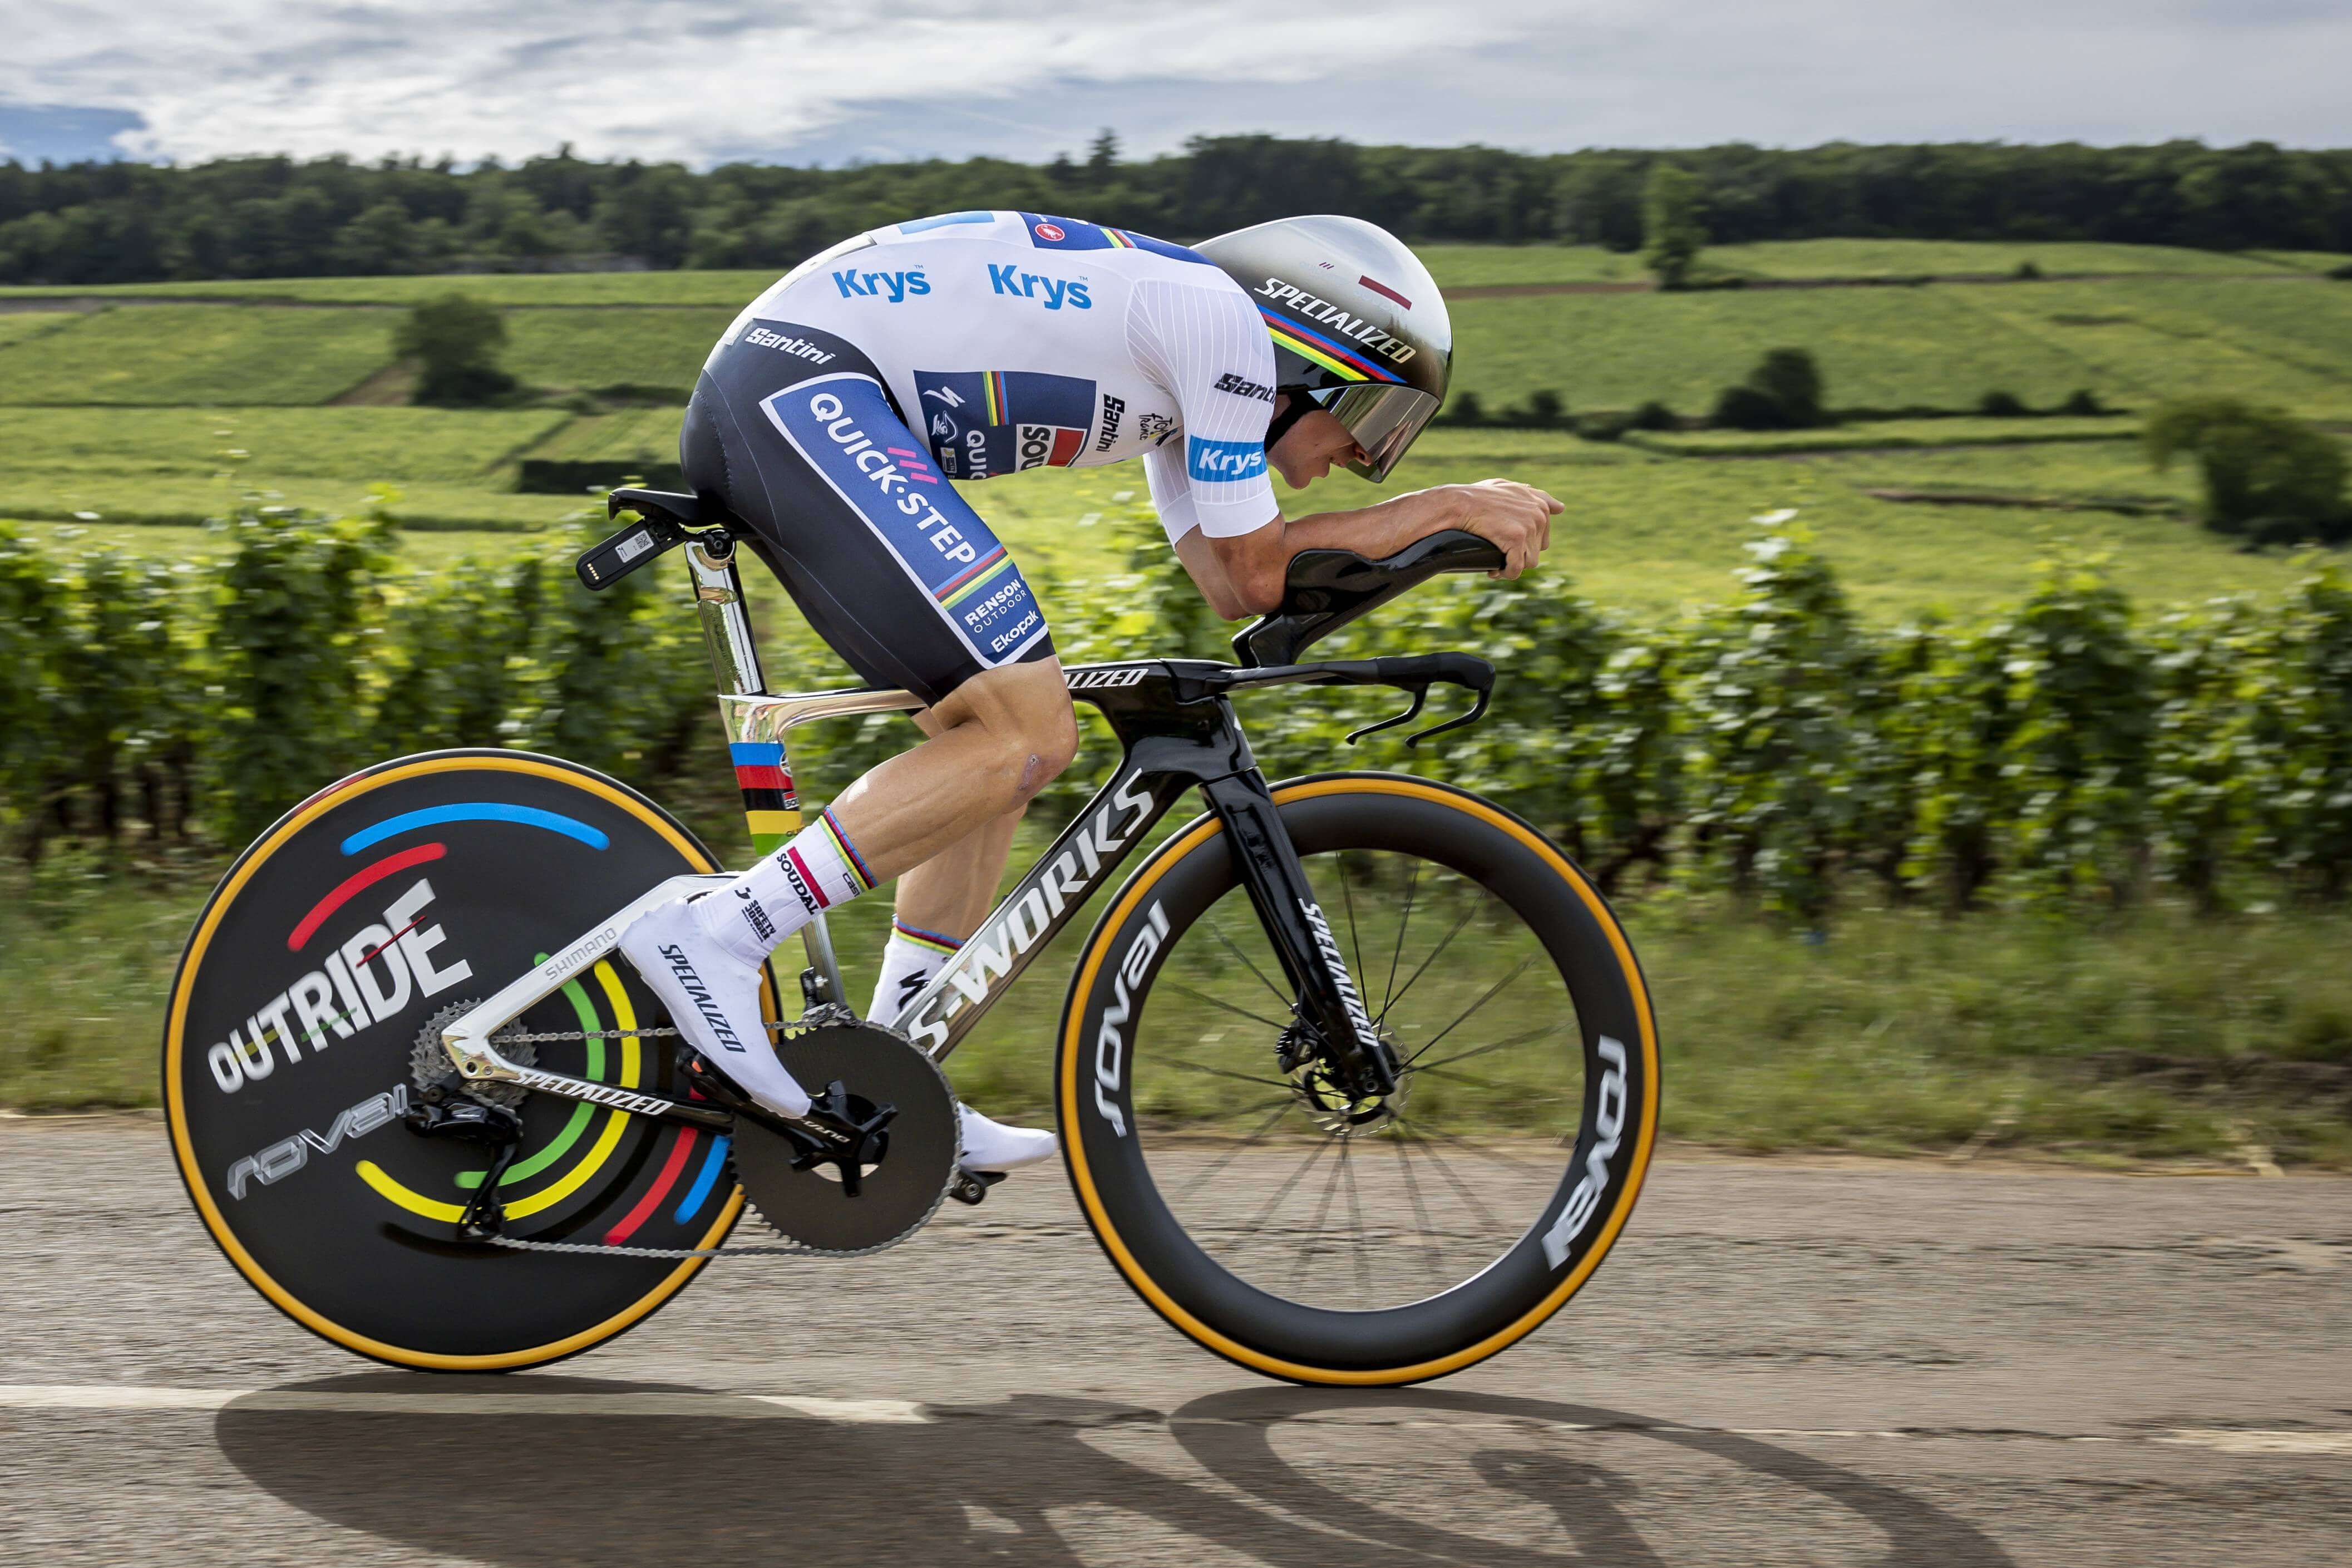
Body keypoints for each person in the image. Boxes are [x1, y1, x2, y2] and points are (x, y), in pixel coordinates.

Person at [619, 210, 1559, 1176]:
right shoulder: (1222, 328)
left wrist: (1426, 542)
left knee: (993, 748)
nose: (1362, 455)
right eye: (1370, 418)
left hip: (804, 393)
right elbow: (1260, 566)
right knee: (1027, 732)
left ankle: (893, 1060)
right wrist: (1446, 505)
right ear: (1312, 353)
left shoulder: (1190, 379)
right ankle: (719, 930)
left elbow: (1238, 590)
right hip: (802, 388)